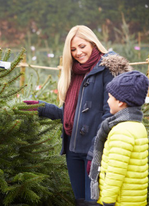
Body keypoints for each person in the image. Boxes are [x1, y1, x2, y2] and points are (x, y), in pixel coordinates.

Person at [24, 25, 131, 206]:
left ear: (92, 43)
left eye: (82, 46)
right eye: (73, 49)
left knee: (94, 202)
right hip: (73, 150)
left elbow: (111, 114)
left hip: (95, 151)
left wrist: (95, 150)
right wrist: (41, 108)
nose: (78, 53)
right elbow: (71, 115)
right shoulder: (74, 72)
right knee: (80, 201)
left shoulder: (107, 69)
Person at [89, 70, 149, 206]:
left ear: (121, 102)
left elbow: (115, 172)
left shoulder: (121, 131)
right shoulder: (137, 125)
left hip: (120, 200)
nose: (107, 100)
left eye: (110, 97)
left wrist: (108, 200)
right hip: (134, 198)